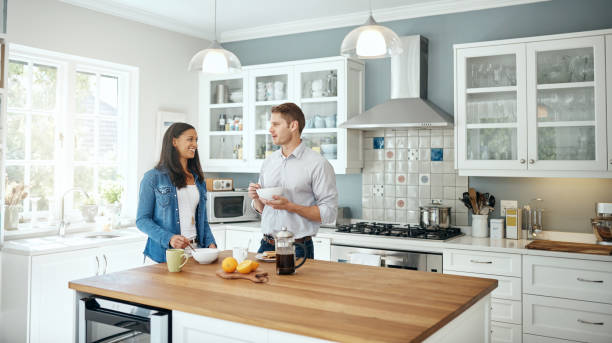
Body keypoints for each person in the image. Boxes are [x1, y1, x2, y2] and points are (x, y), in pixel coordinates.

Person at [248, 103, 338, 259]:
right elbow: (264, 209)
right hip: (266, 245)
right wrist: (256, 198)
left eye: (276, 124)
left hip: (297, 247)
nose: (270, 129)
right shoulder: (269, 162)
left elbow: (329, 213)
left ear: (293, 126)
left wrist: (290, 207)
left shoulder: (318, 164)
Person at [136, 122, 216, 263]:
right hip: (164, 256)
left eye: (196, 140)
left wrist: (210, 243)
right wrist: (170, 238)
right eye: (190, 139)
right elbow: (142, 220)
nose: (195, 145)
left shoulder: (199, 180)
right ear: (174, 141)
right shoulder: (153, 177)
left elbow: (202, 220)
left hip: (196, 252)